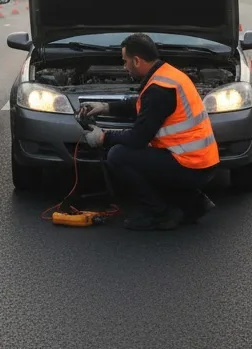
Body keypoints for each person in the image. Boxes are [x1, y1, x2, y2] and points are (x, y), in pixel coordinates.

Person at [77, 32, 219, 231]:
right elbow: (143, 105)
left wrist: (104, 136)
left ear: (136, 60)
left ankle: (157, 213)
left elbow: (137, 139)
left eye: (125, 61)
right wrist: (106, 106)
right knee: (147, 158)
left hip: (190, 165)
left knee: (119, 156)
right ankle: (193, 203)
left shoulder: (159, 90)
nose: (124, 67)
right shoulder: (168, 75)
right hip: (199, 160)